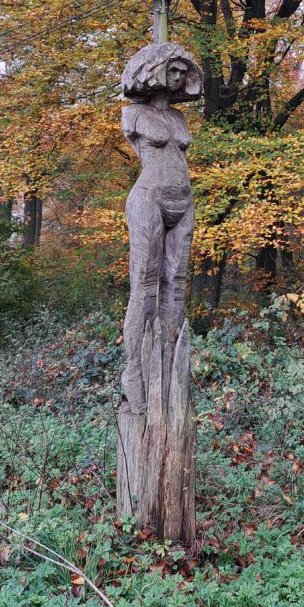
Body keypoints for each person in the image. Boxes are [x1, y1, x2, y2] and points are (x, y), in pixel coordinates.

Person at [120, 43, 203, 414]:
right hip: (148, 199)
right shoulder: (133, 114)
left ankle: (168, 370)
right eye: (173, 69)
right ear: (154, 70)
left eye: (184, 71)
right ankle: (134, 373)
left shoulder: (179, 119)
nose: (179, 76)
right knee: (145, 285)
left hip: (183, 203)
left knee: (176, 285)